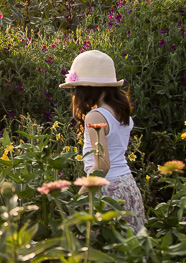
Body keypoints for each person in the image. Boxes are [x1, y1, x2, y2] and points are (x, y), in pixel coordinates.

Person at [60, 49, 145, 232]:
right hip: (127, 185)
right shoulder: (121, 112)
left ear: (87, 89)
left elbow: (102, 165)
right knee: (130, 249)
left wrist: (80, 198)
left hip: (107, 191)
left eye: (76, 89)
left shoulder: (95, 116)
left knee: (101, 251)